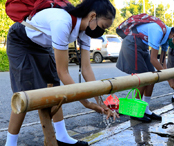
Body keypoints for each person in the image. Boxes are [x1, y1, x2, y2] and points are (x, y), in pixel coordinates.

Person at [5, 0, 119, 146]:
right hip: (21, 41)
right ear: (92, 16)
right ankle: (10, 143)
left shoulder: (84, 31)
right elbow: (63, 72)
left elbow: (86, 69)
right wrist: (87, 103)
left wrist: (101, 102)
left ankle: (62, 136)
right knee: (24, 94)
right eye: (103, 27)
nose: (102, 32)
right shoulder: (62, 22)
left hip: (42, 44)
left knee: (54, 88)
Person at [116, 24, 174, 123]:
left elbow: (162, 63)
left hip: (142, 47)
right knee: (143, 77)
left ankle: (146, 109)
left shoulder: (166, 38)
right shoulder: (159, 32)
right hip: (132, 43)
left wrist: (171, 79)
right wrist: (170, 79)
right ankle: (135, 110)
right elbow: (153, 59)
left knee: (152, 77)